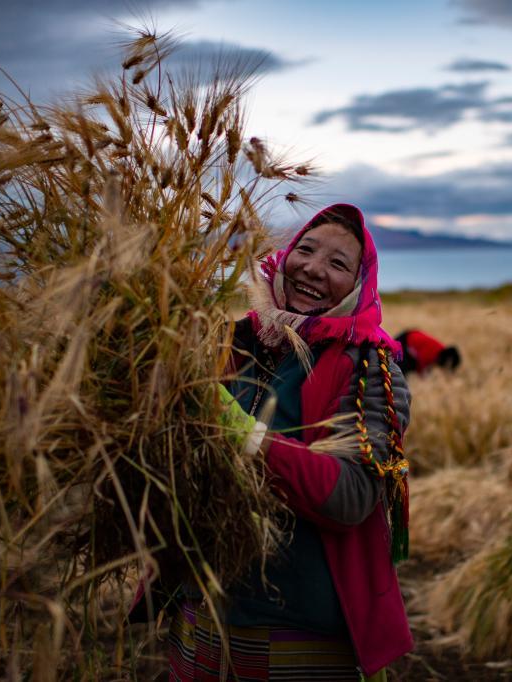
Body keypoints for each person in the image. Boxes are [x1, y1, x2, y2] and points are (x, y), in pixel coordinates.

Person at [167, 204, 413, 681]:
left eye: (339, 264)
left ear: (360, 288)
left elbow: (350, 496)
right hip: (201, 614)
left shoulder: (371, 371)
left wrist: (240, 434)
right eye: (305, 249)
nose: (313, 269)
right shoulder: (229, 343)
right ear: (283, 256)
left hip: (297, 633)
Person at [394, 329, 460, 375]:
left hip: (411, 337)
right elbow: (420, 366)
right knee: (401, 368)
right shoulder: (432, 354)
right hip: (405, 340)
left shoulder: (441, 351)